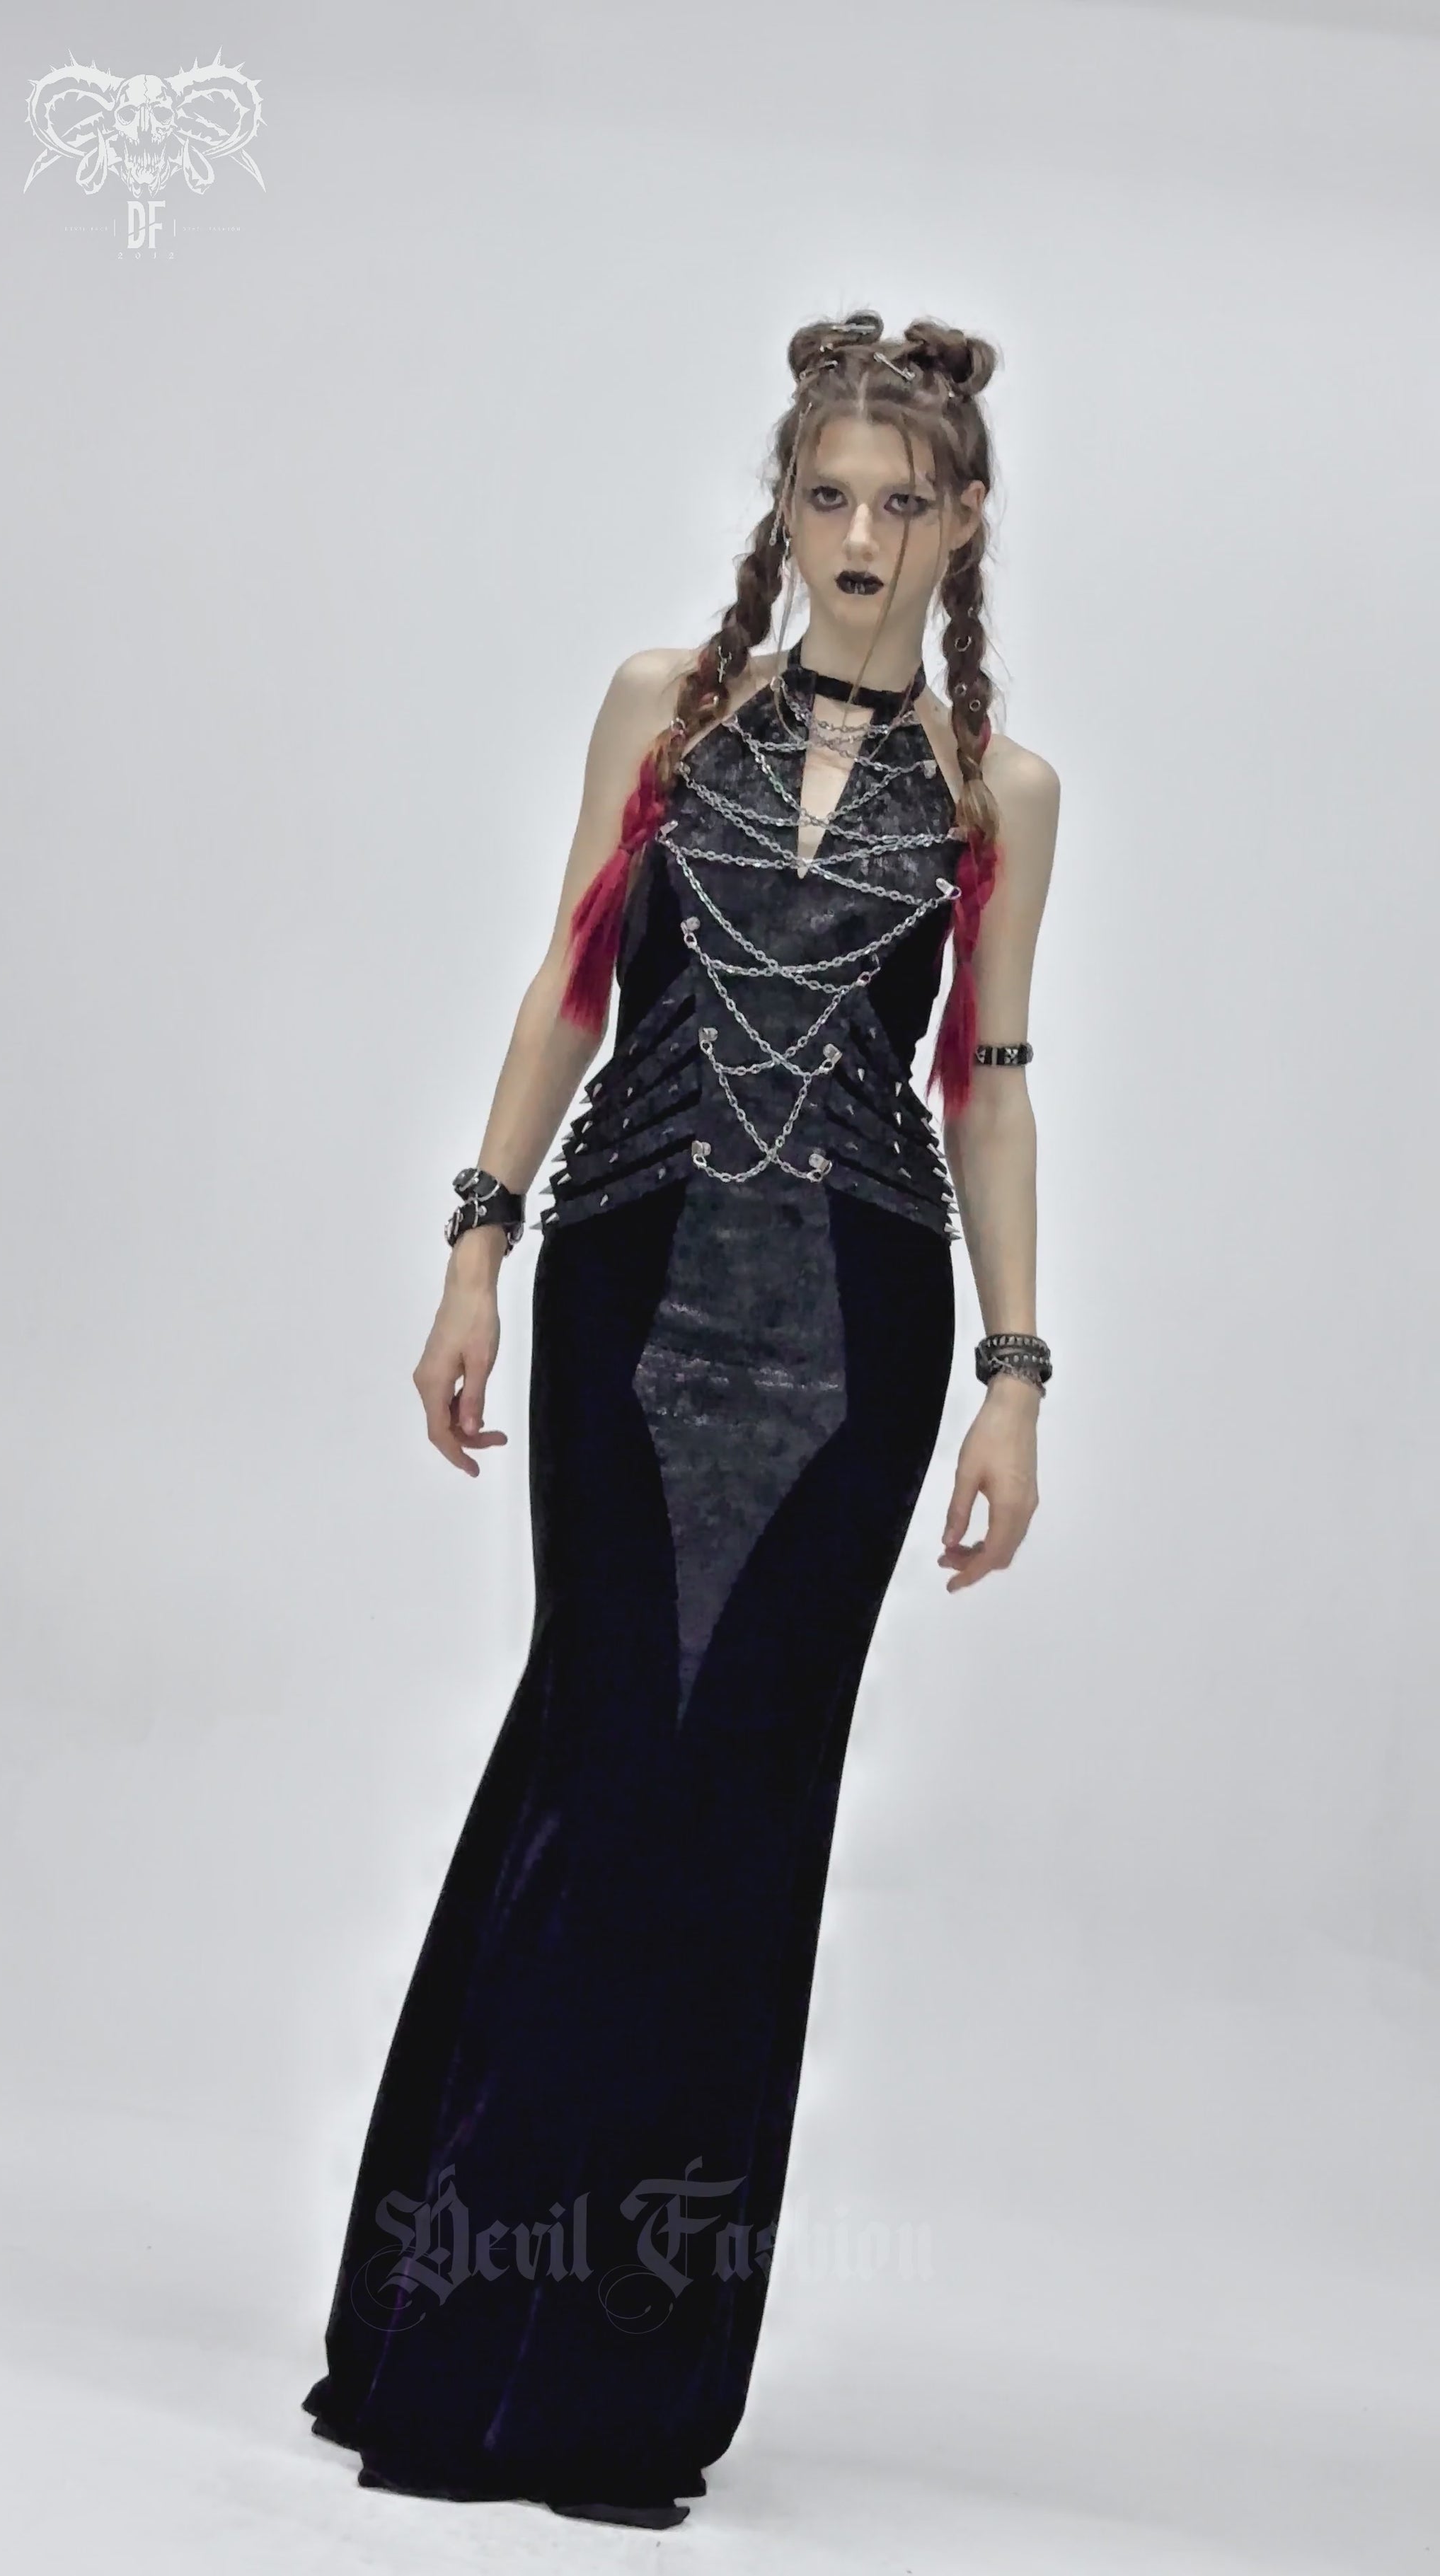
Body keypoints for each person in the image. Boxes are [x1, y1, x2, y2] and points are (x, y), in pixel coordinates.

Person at [302, 308, 1060, 2530]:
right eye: (827, 495)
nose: (859, 536)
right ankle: (450, 2343)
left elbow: (987, 1088)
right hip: (633, 1284)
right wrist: (477, 1239)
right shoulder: (669, 707)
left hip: (853, 1329)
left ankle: (625, 2398)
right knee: (601, 1760)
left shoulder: (1000, 792)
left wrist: (1016, 1375)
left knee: (741, 1816)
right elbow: (571, 979)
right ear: (783, 508)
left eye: (899, 503)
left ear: (962, 522)